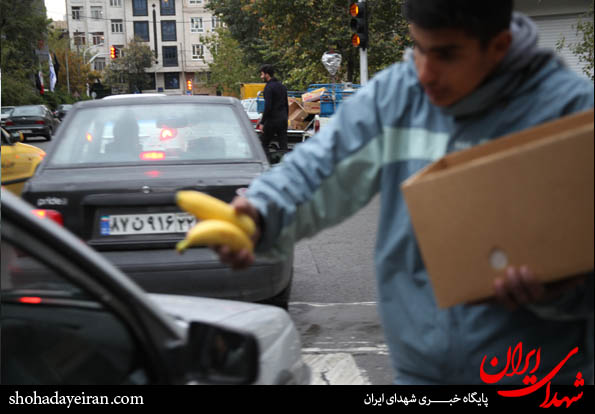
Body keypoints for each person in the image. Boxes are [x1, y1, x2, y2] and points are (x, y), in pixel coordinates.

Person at [216, 0, 594, 384]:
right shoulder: (397, 96)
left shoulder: (572, 114)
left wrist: (560, 295)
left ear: (498, 46)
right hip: (420, 375)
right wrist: (262, 211)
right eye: (419, 48)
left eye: (446, 54)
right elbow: (321, 166)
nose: (425, 73)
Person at [257, 64, 289, 157]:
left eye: (262, 74)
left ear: (267, 75)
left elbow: (268, 107)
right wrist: (286, 118)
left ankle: (267, 163)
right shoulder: (282, 86)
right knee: (283, 145)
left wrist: (262, 122)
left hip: (272, 120)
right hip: (283, 119)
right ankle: (285, 164)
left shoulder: (268, 87)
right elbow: (286, 104)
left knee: (263, 144)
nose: (261, 76)